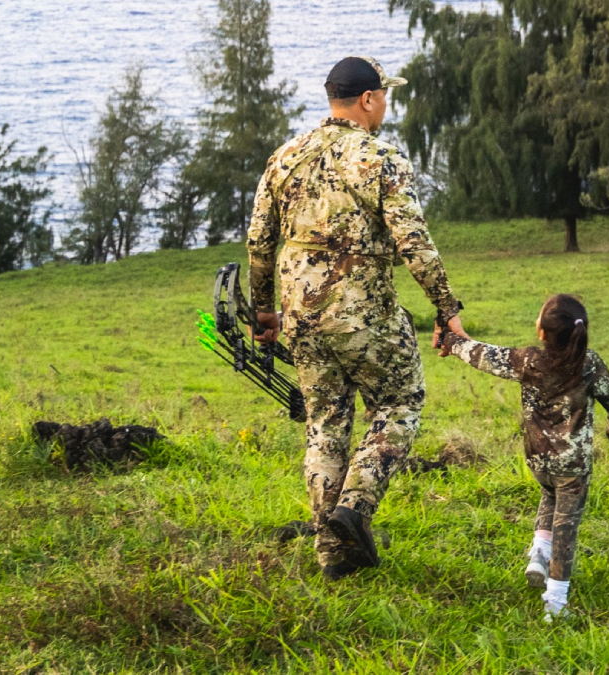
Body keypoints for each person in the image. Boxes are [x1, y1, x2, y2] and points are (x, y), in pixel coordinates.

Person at [247, 56, 467, 580]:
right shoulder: (380, 157)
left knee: (325, 422)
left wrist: (264, 312)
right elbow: (414, 244)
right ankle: (356, 507)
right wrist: (446, 308)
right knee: (400, 401)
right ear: (368, 99)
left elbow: (259, 242)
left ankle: (333, 555)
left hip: (299, 316)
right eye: (384, 96)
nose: (386, 105)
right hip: (363, 316)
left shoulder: (285, 157)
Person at [438, 294, 609, 621]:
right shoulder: (590, 364)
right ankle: (556, 603)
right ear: (580, 330)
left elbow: (483, 354)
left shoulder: (527, 360)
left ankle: (538, 556)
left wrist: (451, 340)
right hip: (572, 468)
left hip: (538, 462)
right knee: (566, 528)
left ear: (542, 332)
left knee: (549, 494)